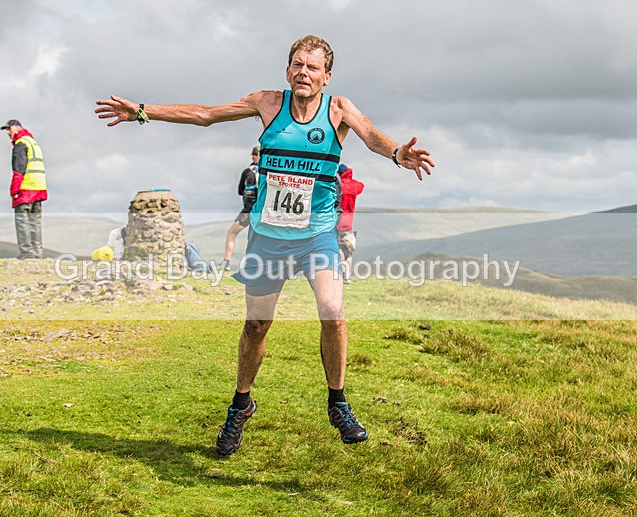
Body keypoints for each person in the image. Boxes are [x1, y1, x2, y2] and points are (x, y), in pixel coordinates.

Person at [95, 35, 435, 456]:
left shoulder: (338, 109)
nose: (303, 73)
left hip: (317, 234)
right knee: (256, 326)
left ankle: (338, 403)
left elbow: (372, 137)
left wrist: (398, 153)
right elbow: (205, 114)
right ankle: (241, 405)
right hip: (269, 237)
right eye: (297, 64)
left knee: (332, 311)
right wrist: (144, 111)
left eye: (312, 67)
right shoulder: (268, 103)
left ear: (327, 76)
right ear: (287, 69)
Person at [1, 119, 47, 259]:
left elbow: (18, 170)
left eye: (9, 129)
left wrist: (14, 191)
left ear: (17, 128)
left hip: (26, 189)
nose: (8, 133)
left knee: (23, 222)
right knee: (35, 222)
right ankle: (37, 253)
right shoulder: (33, 143)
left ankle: (27, 253)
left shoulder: (20, 144)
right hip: (39, 188)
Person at [220, 146, 260, 272]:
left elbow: (240, 191)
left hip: (248, 210)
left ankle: (226, 262)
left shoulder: (247, 172)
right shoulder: (267, 171)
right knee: (259, 238)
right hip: (261, 211)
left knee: (232, 233)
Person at [336, 164, 365, 284]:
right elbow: (361, 186)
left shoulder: (337, 184)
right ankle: (346, 277)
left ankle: (339, 275)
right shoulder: (353, 186)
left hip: (336, 221)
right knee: (348, 250)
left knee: (337, 248)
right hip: (348, 224)